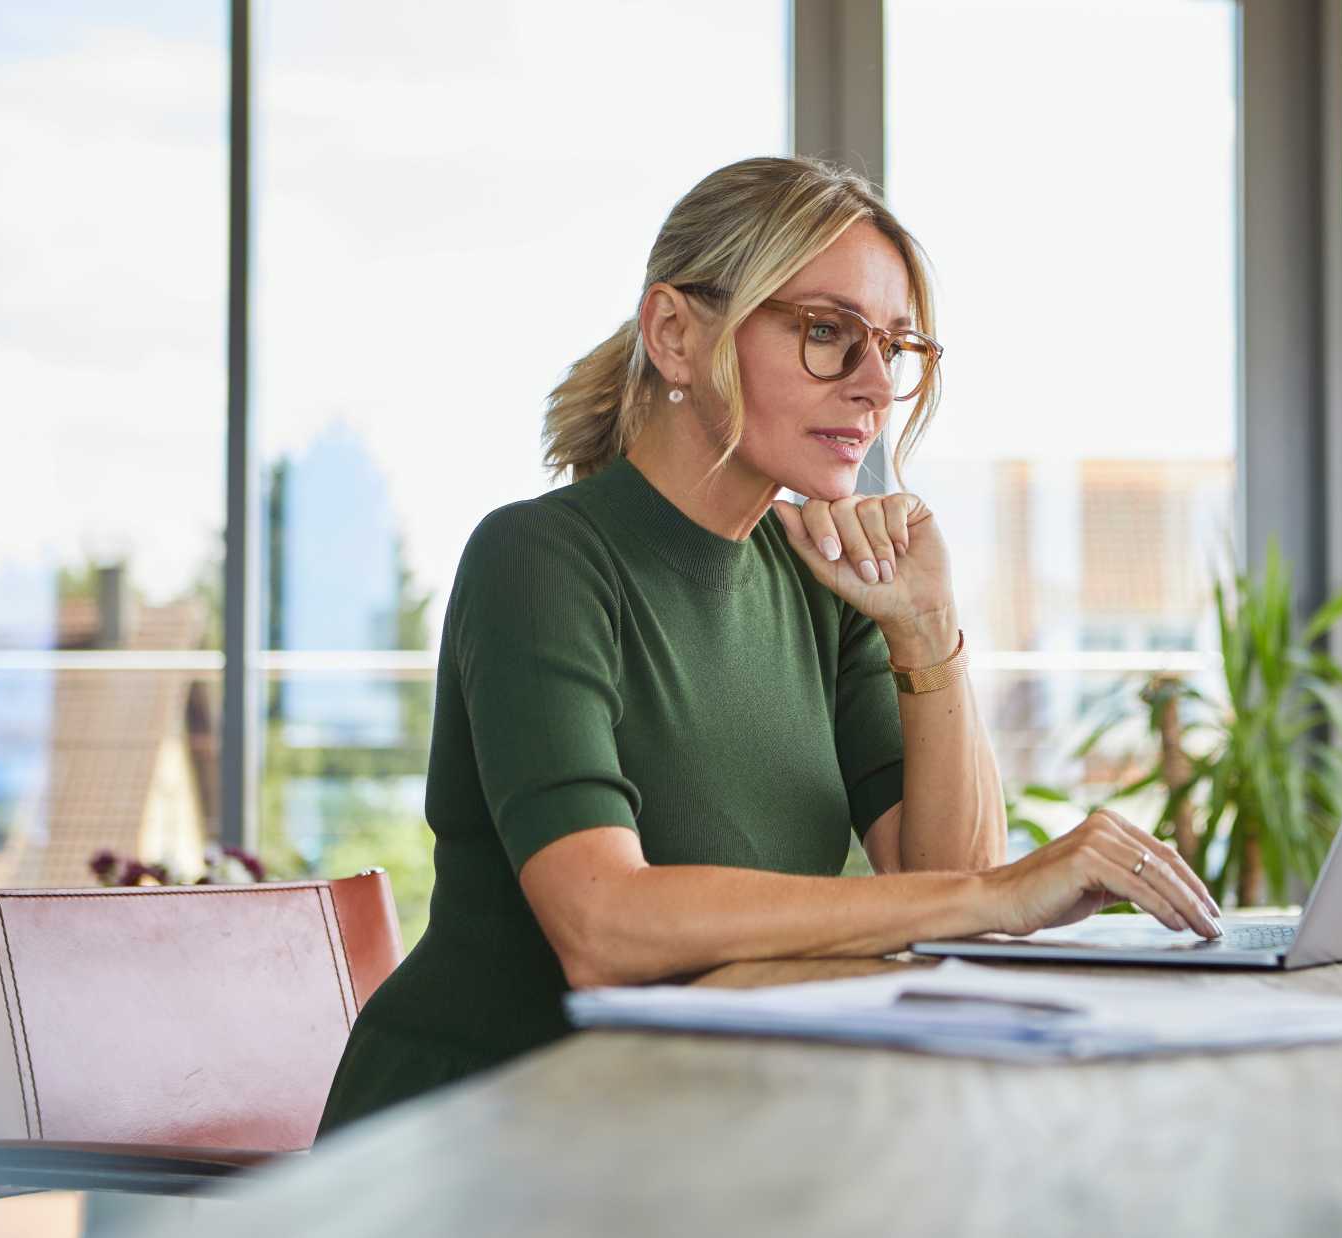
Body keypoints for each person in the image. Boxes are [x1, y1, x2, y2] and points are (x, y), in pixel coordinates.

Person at [315, 155, 1222, 1137]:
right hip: (481, 1132)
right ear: (675, 333)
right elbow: (603, 926)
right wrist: (990, 892)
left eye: (895, 346)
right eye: (828, 333)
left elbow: (950, 883)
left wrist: (926, 633)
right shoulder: (539, 558)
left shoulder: (816, 577)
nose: (876, 385)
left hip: (699, 1119)